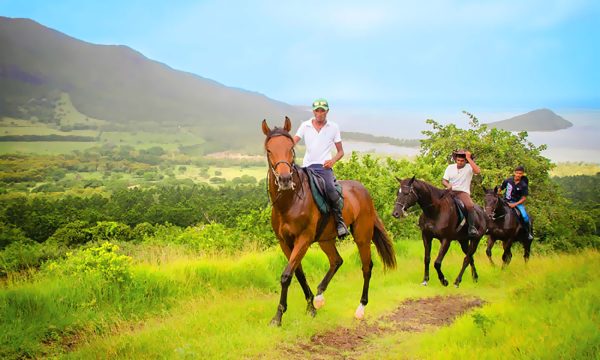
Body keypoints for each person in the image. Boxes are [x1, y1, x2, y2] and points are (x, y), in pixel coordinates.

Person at [293, 98, 349, 239]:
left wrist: (332, 161)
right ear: (313, 112)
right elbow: (292, 142)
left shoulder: (333, 127)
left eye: (322, 110)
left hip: (323, 167)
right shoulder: (305, 126)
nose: (319, 113)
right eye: (317, 110)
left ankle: (340, 223)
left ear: (327, 111)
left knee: (331, 189)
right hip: (306, 167)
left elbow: (341, 152)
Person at [442, 150, 481, 237]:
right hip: (449, 191)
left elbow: (478, 171)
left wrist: (468, 158)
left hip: (462, 192)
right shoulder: (450, 167)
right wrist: (447, 185)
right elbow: (444, 180)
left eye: (462, 161)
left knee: (470, 205)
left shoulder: (469, 167)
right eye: (458, 160)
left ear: (465, 161)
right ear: (455, 159)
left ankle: (471, 227)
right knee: (436, 200)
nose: (460, 162)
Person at [500, 166, 534, 240]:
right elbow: (501, 188)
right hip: (505, 201)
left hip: (517, 203)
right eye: (517, 173)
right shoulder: (508, 181)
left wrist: (515, 204)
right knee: (493, 209)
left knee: (525, 216)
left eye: (520, 173)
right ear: (514, 173)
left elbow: (524, 198)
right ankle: (488, 228)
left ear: (522, 174)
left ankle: (528, 232)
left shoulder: (523, 185)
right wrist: (497, 193)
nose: (518, 175)